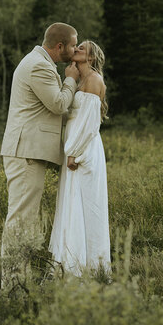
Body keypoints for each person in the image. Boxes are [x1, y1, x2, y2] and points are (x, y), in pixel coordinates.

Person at [1, 22, 80, 257]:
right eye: (73, 46)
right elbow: (57, 104)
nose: (75, 51)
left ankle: (17, 280)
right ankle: (13, 285)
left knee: (24, 218)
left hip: (27, 151)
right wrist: (71, 79)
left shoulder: (40, 62)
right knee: (20, 220)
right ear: (59, 46)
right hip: (25, 152)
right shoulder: (39, 66)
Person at [49, 40, 110, 276]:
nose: (76, 50)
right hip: (72, 150)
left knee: (86, 205)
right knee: (72, 203)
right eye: (77, 46)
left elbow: (90, 123)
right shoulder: (80, 80)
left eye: (82, 48)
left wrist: (75, 152)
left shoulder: (94, 80)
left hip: (84, 151)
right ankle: (70, 264)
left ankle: (92, 268)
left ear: (92, 57)